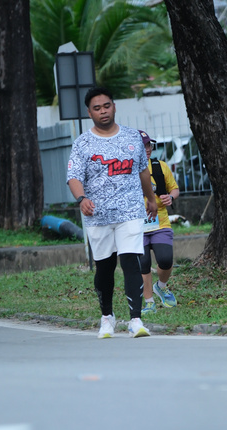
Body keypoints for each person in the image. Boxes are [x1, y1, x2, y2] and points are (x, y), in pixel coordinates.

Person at [67, 86, 158, 339]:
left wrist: (150, 199)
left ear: (114, 106)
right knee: (104, 268)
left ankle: (136, 320)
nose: (103, 111)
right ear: (89, 113)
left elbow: (143, 171)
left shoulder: (132, 137)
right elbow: (73, 177)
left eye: (106, 106)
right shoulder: (82, 143)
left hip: (130, 211)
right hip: (98, 215)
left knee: (131, 262)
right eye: (97, 108)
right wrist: (82, 198)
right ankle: (107, 317)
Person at [137, 129, 180, 316]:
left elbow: (175, 189)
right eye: (143, 146)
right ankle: (149, 302)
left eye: (149, 145)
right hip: (137, 224)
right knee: (143, 262)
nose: (148, 149)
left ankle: (161, 286)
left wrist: (171, 197)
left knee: (165, 259)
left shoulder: (160, 166)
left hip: (160, 221)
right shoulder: (128, 171)